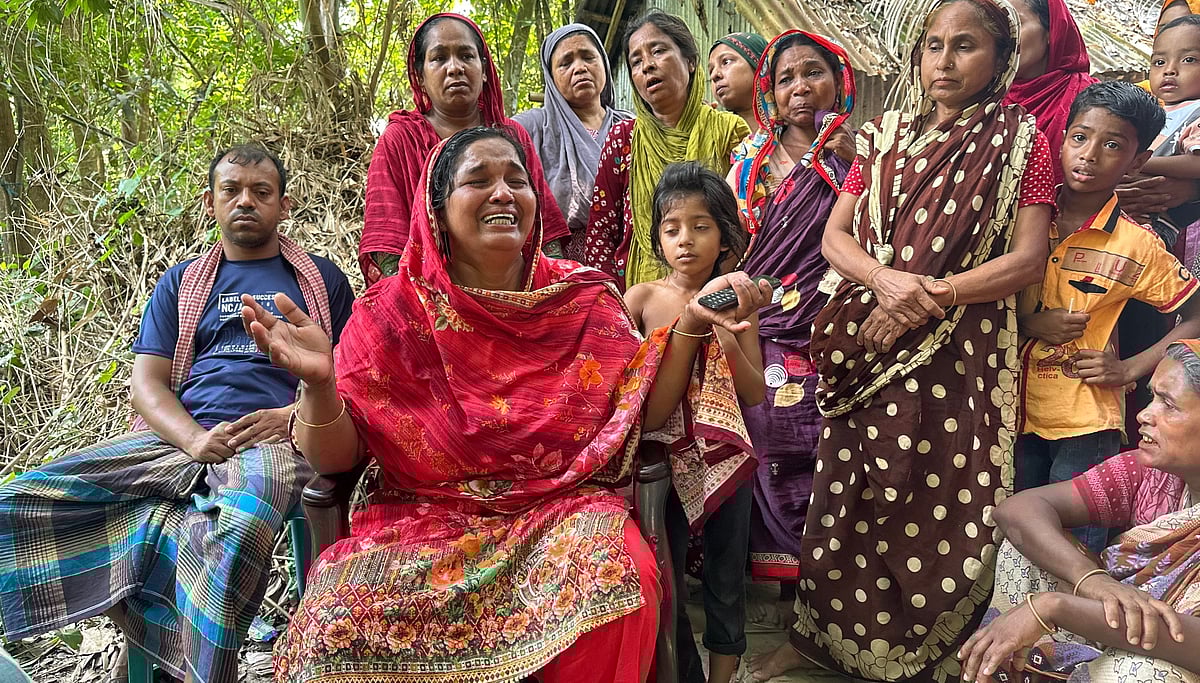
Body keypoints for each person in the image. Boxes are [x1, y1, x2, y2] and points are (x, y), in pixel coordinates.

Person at [259, 127, 774, 683]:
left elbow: (639, 413)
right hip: (418, 518)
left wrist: (691, 325)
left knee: (617, 579)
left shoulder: (584, 299)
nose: (503, 193)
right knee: (333, 623)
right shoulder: (389, 313)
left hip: (562, 513)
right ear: (436, 208)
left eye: (518, 181)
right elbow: (334, 461)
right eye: (477, 180)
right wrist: (318, 386)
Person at [751, 0, 1057, 680]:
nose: (944, 61)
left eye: (965, 46)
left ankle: (931, 656)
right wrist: (889, 283)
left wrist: (933, 295)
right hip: (868, 340)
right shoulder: (882, 136)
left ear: (1000, 58)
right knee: (851, 492)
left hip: (957, 352)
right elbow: (837, 235)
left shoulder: (1021, 141)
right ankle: (822, 643)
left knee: (937, 492)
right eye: (933, 45)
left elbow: (1028, 259)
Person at [0, 144, 355, 683]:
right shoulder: (182, 283)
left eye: (261, 192)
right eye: (231, 190)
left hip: (279, 442)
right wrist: (192, 439)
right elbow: (148, 384)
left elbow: (351, 377)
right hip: (181, 440)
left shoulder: (322, 281)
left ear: (284, 205)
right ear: (210, 202)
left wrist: (289, 416)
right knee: (23, 497)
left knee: (240, 519)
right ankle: (150, 632)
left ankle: (192, 668)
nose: (245, 202)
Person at [1015, 81, 1200, 553]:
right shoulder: (1023, 216)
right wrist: (1030, 324)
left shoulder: (1136, 243)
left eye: (1112, 145)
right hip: (1008, 408)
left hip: (1085, 414)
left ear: (1137, 161)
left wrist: (1129, 369)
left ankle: (1075, 624)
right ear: (1062, 138)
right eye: (1080, 137)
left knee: (1076, 541)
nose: (1089, 154)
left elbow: (1194, 312)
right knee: (1015, 525)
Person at [958, 339, 1200, 683]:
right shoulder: (1150, 475)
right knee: (1024, 553)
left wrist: (1052, 607)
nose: (1144, 414)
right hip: (1127, 629)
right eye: (1152, 397)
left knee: (1142, 673)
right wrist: (1094, 580)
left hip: (1171, 658)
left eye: (1169, 404)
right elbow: (1020, 510)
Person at [725, 28, 856, 619]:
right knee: (773, 435)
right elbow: (734, 245)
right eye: (785, 79)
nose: (800, 88)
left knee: (835, 445)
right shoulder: (749, 164)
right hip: (766, 323)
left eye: (814, 72)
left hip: (837, 321)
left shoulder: (865, 157)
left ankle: (828, 585)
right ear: (769, 94)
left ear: (839, 79)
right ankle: (783, 580)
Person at [624, 161, 760, 683]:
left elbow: (753, 394)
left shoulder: (738, 298)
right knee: (666, 577)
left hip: (726, 460)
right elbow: (641, 403)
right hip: (657, 464)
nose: (686, 240)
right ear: (657, 237)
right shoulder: (642, 300)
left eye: (701, 227)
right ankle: (682, 674)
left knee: (728, 578)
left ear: (723, 235)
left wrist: (726, 335)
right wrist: (694, 323)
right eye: (672, 228)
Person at [359, 12, 569, 285]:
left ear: (483, 71)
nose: (454, 67)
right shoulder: (401, 139)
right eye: (439, 58)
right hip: (432, 299)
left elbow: (545, 227)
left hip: (515, 290)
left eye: (466, 56)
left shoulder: (511, 136)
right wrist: (411, 303)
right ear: (420, 76)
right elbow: (387, 238)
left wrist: (555, 290)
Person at [582, 11, 750, 290]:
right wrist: (610, 302)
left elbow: (746, 220)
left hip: (717, 288)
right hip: (637, 292)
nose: (647, 66)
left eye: (658, 51)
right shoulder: (624, 138)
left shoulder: (729, 131)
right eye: (636, 61)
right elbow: (602, 230)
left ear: (691, 61)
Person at [514, 24, 632, 258]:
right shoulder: (530, 128)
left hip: (629, 258)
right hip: (559, 262)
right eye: (566, 63)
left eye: (588, 57)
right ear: (551, 76)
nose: (580, 68)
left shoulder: (631, 126)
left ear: (604, 65)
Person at [1003, 0, 1096, 186]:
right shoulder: (978, 92)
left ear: (1051, 30)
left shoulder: (1090, 100)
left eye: (1014, 23)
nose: (1002, 37)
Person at [709, 32, 768, 134]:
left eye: (726, 62)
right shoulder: (715, 137)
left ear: (760, 66)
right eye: (711, 70)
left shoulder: (797, 132)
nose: (714, 75)